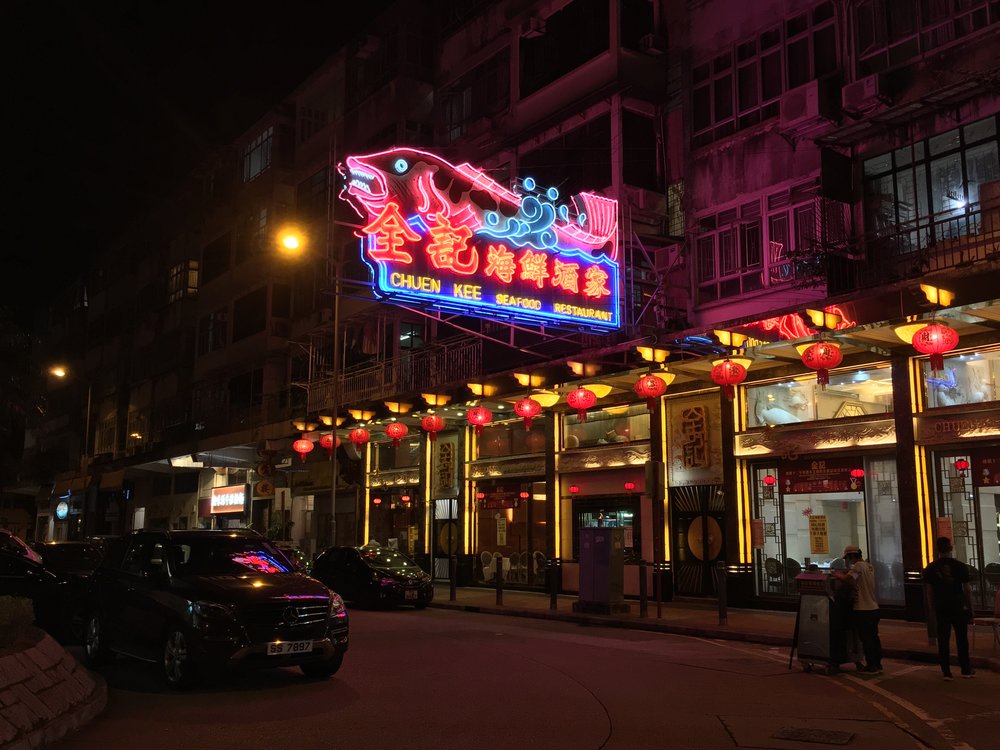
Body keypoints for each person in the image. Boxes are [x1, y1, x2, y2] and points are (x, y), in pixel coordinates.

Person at [923, 536, 975, 681]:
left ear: (937, 549)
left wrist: (932, 609)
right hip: (958, 605)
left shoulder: (931, 568)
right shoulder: (960, 566)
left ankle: (946, 672)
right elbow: (967, 589)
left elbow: (929, 592)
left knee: (944, 639)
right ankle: (965, 669)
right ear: (950, 548)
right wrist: (970, 606)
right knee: (962, 639)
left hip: (941, 606)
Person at [832, 543, 883, 674]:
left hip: (863, 609)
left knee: (866, 639)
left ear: (852, 556)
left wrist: (837, 575)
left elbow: (848, 579)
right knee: (874, 638)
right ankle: (878, 664)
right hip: (874, 607)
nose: (847, 561)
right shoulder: (868, 565)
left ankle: (871, 666)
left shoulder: (858, 566)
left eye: (847, 558)